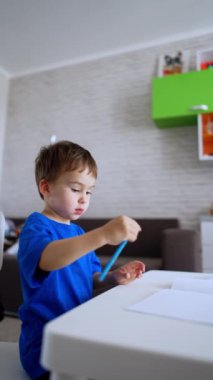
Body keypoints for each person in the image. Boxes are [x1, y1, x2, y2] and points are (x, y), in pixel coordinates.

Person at [17, 140, 145, 380]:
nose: (84, 199)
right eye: (76, 189)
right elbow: (48, 259)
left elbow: (91, 278)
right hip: (46, 344)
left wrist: (113, 277)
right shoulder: (36, 226)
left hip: (77, 331)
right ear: (46, 188)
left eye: (89, 192)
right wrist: (103, 234)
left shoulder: (78, 234)